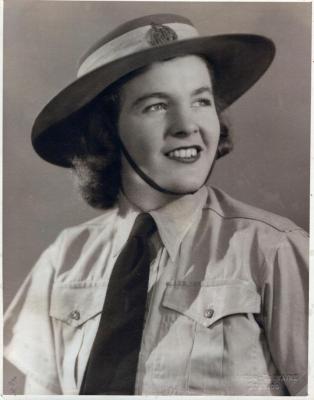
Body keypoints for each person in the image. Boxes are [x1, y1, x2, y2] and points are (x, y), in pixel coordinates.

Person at [4, 13, 308, 396]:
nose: (187, 125)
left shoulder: (274, 251)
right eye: (155, 106)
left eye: (201, 100)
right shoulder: (64, 260)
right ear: (106, 131)